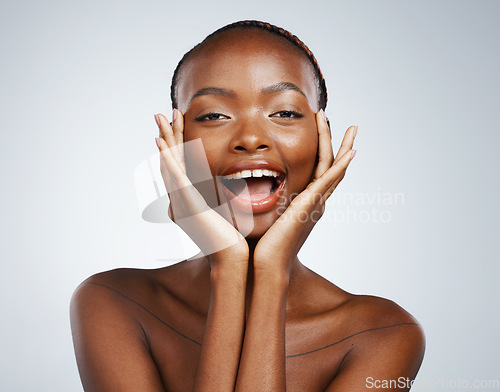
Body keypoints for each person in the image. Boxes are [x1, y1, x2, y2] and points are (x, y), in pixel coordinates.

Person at [70, 20, 425, 391]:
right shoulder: (113, 302)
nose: (250, 138)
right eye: (214, 115)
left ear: (324, 140)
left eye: (284, 113)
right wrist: (227, 265)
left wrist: (273, 272)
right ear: (177, 144)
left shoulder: (384, 334)